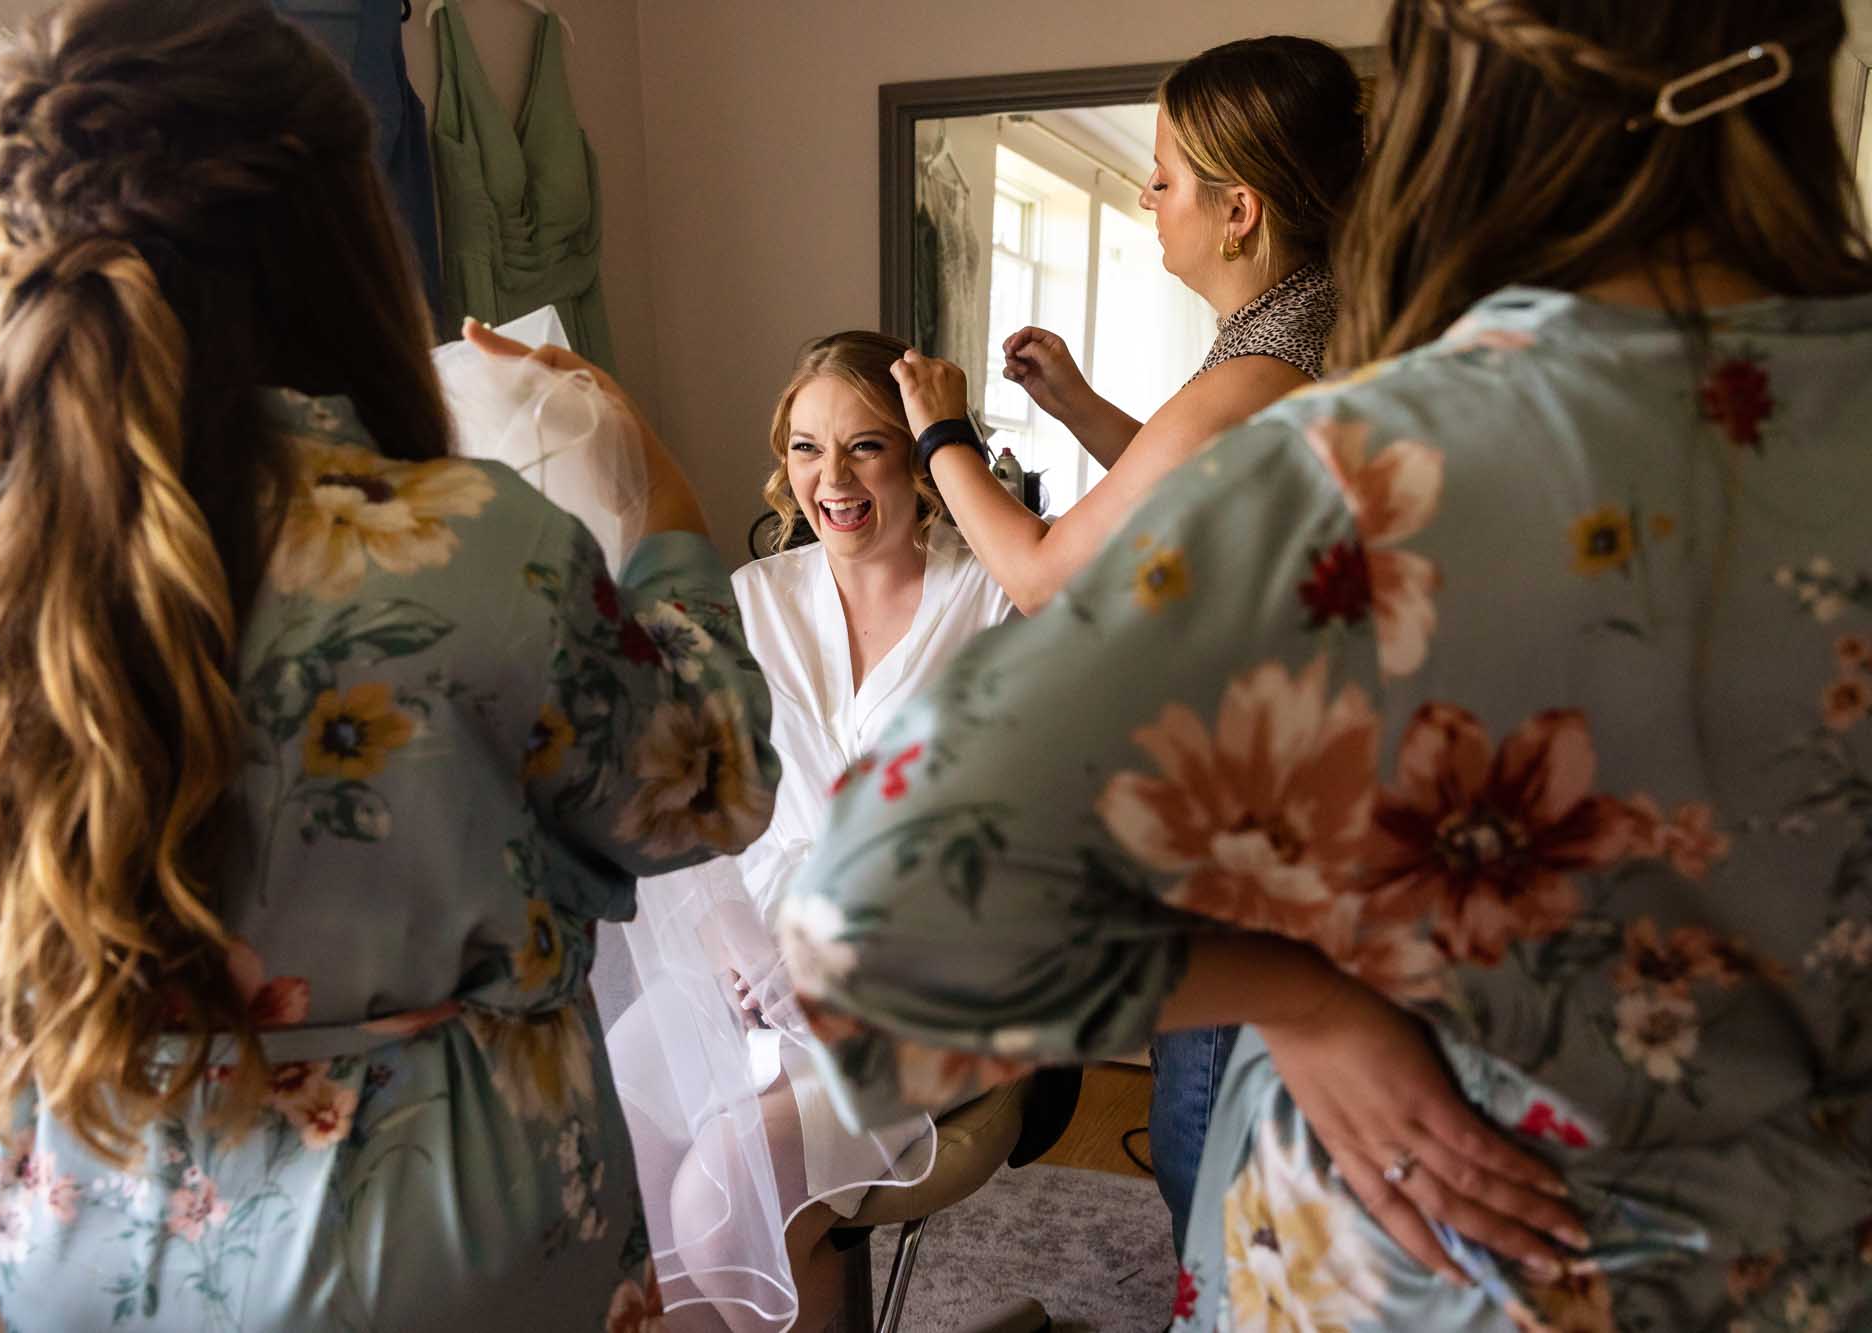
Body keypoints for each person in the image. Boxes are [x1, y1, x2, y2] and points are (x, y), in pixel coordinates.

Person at [787, 0, 1872, 1327]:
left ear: (1461, 100)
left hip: (1444, 1269)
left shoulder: (1379, 466)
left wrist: (1306, 1003)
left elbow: (878, 921)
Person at [0, 3, 776, 1328]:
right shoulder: (469, 544)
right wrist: (667, 498)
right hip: (424, 1245)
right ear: (335, 231)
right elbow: (710, 784)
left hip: (87, 1230)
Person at [898, 35, 1365, 1248]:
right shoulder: (1300, 330)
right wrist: (1083, 409)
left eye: (1160, 178)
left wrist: (942, 430)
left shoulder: (1264, 363)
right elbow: (1198, 503)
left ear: (1238, 209)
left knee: (1204, 1138)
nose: (1149, 199)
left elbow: (1051, 572)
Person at [603, 331, 1017, 1332]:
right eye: (804, 448)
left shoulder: (996, 596)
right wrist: (734, 955)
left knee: (717, 1204)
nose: (831, 479)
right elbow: (680, 815)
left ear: (922, 454)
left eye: (866, 446)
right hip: (747, 965)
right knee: (612, 1163)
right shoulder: (746, 604)